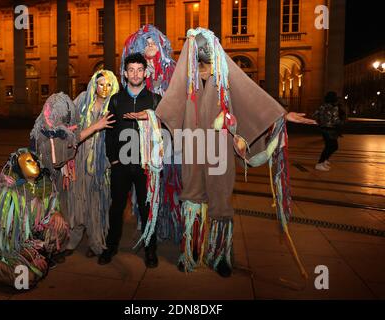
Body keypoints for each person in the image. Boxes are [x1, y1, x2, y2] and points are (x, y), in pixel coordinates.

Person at [125, 28, 315, 278]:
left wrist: (281, 115)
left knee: (220, 200)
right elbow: (166, 109)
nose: (202, 52)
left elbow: (252, 98)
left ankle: (219, 255)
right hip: (192, 148)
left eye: (206, 47)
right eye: (198, 47)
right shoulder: (185, 81)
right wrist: (148, 115)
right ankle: (191, 253)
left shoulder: (225, 78)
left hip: (220, 149)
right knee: (192, 198)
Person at [0, 148, 68, 289]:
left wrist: (56, 213)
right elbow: (7, 240)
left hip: (32, 238)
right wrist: (31, 256)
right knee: (26, 281)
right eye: (29, 161)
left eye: (35, 161)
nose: (35, 164)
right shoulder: (10, 195)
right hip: (10, 247)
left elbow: (51, 207)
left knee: (60, 227)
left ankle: (42, 256)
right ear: (18, 167)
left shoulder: (44, 185)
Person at [98, 52, 162, 268]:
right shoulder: (116, 100)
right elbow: (109, 131)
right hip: (121, 165)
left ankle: (150, 250)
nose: (135, 74)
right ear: (125, 74)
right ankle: (111, 246)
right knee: (116, 208)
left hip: (146, 166)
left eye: (139, 70)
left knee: (147, 210)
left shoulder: (154, 100)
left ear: (146, 73)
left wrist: (150, 116)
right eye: (131, 70)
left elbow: (167, 128)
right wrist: (113, 159)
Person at [121, 24, 182, 243]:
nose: (150, 45)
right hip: (139, 140)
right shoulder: (135, 72)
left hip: (169, 138)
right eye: (145, 42)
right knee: (144, 182)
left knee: (170, 180)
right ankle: (147, 222)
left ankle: (169, 222)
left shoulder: (173, 70)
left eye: (153, 41)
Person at [63, 69, 118, 258]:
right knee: (77, 200)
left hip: (102, 164)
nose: (104, 88)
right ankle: (73, 238)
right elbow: (69, 129)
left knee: (97, 202)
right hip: (79, 159)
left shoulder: (115, 105)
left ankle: (96, 241)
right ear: (94, 84)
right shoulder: (82, 100)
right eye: (100, 84)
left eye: (108, 84)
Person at [313, 91, 345, 171]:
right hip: (331, 129)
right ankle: (320, 163)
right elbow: (335, 120)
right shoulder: (334, 107)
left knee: (330, 146)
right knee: (333, 146)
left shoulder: (322, 106)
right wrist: (342, 123)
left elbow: (315, 115)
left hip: (324, 128)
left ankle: (324, 161)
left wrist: (320, 122)